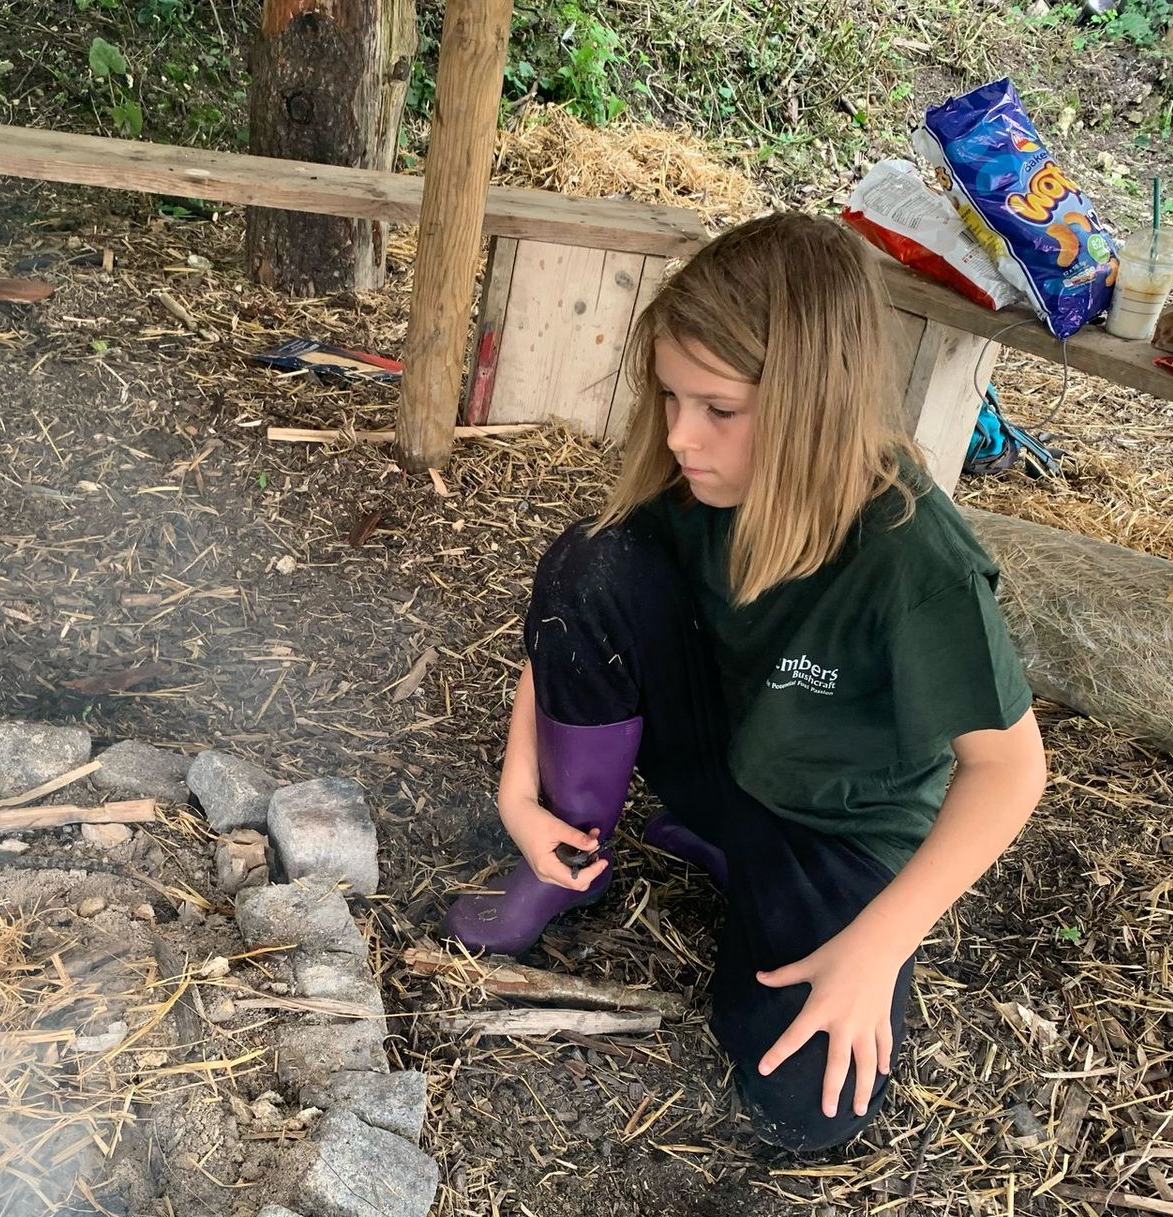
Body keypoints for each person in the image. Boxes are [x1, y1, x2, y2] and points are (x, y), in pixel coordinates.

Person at [444, 213, 1047, 1154]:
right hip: (725, 757)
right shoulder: (703, 486)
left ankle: (745, 864)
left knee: (808, 1108)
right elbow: (571, 619)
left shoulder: (915, 560)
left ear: (812, 402)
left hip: (833, 829)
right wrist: (518, 798)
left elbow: (1010, 773)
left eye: (718, 408)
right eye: (671, 398)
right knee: (593, 559)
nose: (682, 435)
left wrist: (879, 944)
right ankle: (566, 862)